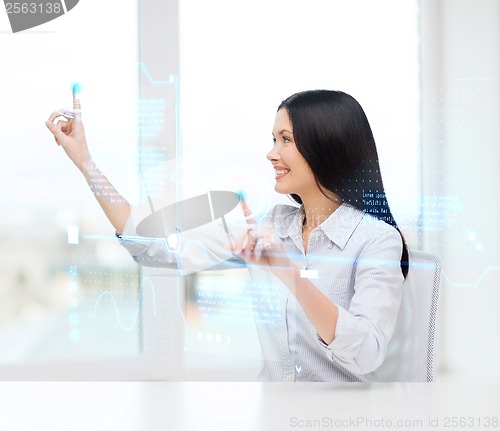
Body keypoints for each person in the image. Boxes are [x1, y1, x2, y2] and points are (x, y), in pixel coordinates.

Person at [46, 89, 409, 382]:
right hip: (273, 415)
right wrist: (85, 162)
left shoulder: (377, 240)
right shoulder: (273, 226)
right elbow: (152, 247)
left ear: (325, 146)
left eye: (285, 140)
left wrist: (287, 272)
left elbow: (366, 355)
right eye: (273, 139)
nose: (271, 153)